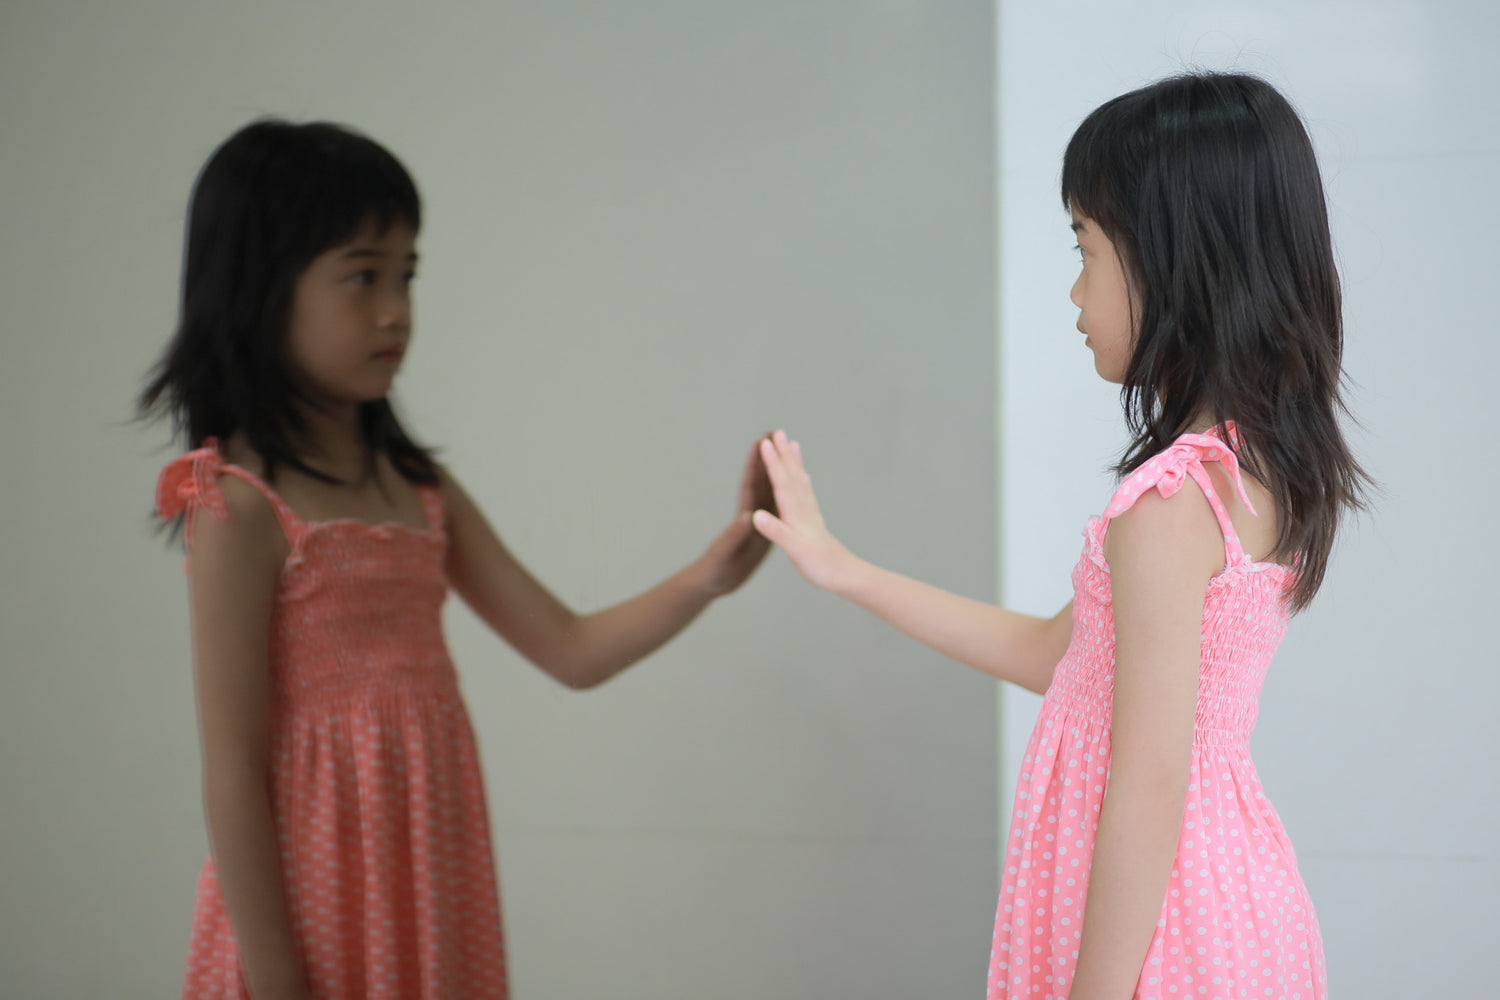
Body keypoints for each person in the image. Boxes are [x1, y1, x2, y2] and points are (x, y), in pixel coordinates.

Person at [751, 72, 1369, 999]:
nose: (1075, 290)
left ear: (1172, 257)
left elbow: (1148, 783)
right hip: (1223, 910)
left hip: (1159, 937)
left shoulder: (1169, 504)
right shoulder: (1248, 471)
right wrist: (843, 569)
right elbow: (1060, 654)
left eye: (1084, 247)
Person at [140, 119, 773, 1000]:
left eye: (407, 276)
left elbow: (571, 647)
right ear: (260, 289)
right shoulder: (238, 505)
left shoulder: (417, 485)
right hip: (311, 889)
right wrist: (277, 981)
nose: (396, 310)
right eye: (363, 276)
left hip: (426, 872)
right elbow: (234, 771)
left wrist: (710, 573)